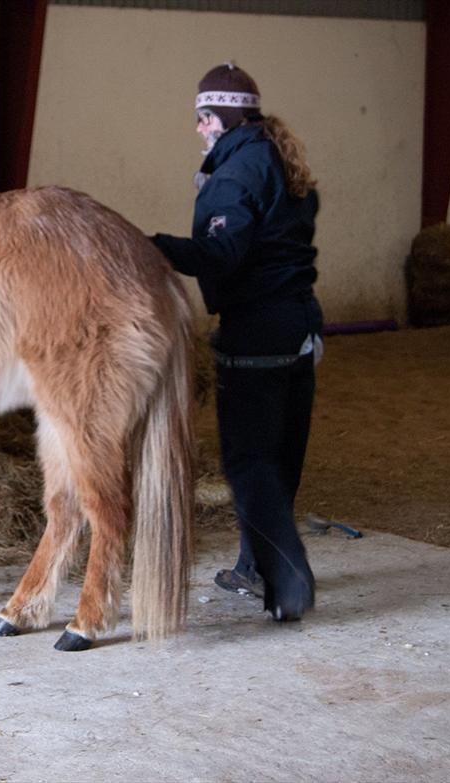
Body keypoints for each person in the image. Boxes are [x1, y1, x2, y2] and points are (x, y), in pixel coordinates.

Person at [152, 62, 322, 621]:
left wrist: (148, 246)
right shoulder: (278, 158)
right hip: (300, 330)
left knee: (249, 461)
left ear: (220, 116)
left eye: (202, 118)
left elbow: (223, 254)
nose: (199, 129)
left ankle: (287, 578)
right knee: (279, 454)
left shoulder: (236, 174)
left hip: (257, 331)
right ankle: (255, 567)